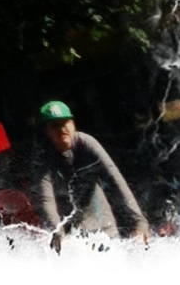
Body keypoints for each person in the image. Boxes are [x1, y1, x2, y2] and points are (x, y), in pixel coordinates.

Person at [34, 100, 150, 248]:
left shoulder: (86, 143)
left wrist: (139, 222)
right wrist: (57, 233)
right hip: (70, 234)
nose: (62, 128)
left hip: (104, 228)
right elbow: (46, 200)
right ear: (46, 131)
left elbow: (115, 179)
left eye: (65, 122)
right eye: (55, 125)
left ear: (73, 124)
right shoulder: (43, 158)